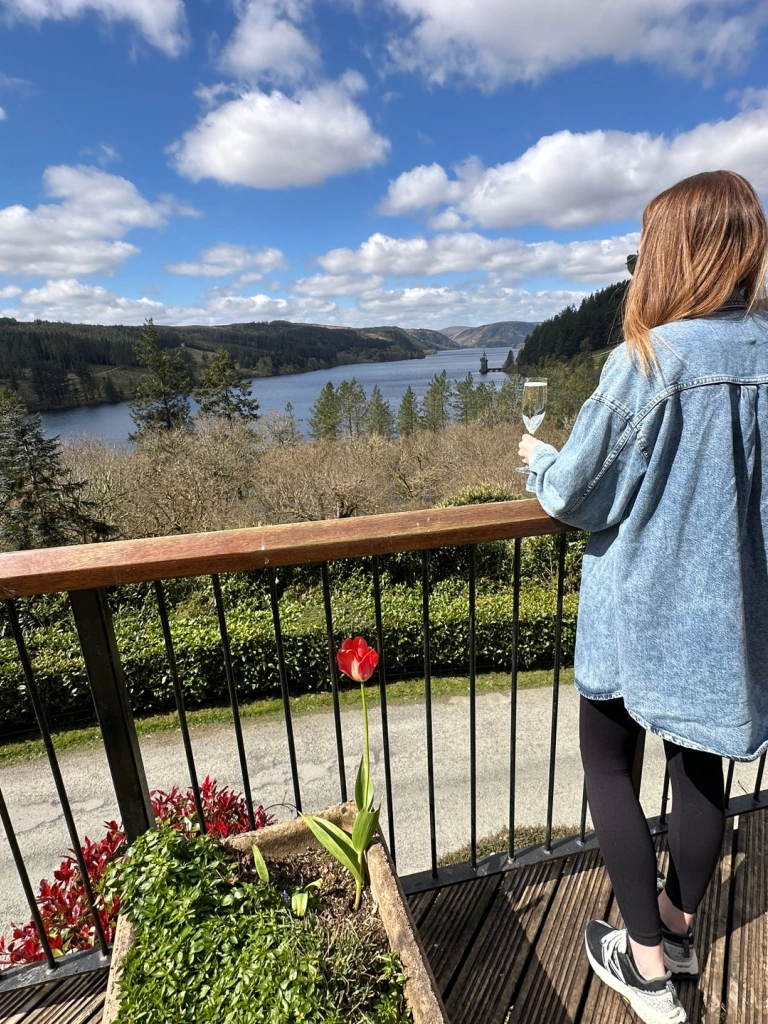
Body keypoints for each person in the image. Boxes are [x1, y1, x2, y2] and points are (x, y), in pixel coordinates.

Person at [518, 169, 768, 1024]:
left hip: (636, 613)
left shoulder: (650, 361)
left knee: (606, 763)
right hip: (732, 619)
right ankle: (680, 927)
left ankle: (648, 970)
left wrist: (538, 462)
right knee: (704, 766)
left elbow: (575, 494)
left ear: (671, 256)